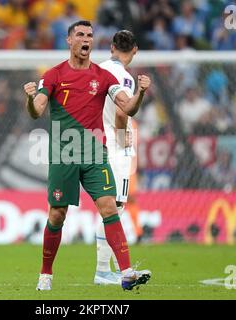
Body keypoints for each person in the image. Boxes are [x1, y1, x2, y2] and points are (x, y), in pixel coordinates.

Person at [23, 20, 151, 291]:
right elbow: (37, 110)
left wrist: (140, 92)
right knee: (57, 214)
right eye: (80, 35)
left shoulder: (104, 77)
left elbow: (127, 107)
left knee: (109, 206)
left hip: (95, 153)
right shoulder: (54, 75)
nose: (85, 39)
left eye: (90, 35)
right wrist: (30, 98)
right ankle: (45, 274)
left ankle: (126, 271)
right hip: (64, 155)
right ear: (69, 40)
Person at [93, 30, 140, 285]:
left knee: (107, 206)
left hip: (95, 140)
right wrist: (123, 139)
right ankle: (102, 270)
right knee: (115, 208)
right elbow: (123, 112)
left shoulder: (97, 70)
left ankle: (103, 269)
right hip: (114, 143)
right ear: (135, 50)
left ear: (111, 47)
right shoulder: (124, 78)